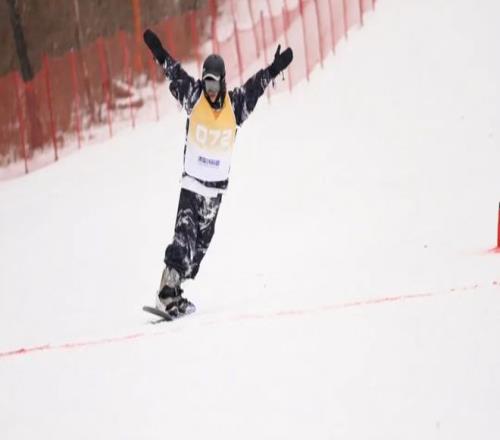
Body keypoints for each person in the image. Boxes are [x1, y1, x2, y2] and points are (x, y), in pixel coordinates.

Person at [143, 28, 293, 316]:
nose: (210, 90)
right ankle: (165, 292)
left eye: (214, 84)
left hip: (215, 192)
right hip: (193, 184)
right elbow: (173, 72)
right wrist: (158, 52)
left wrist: (274, 69)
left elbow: (256, 86)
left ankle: (176, 292)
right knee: (184, 237)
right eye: (206, 83)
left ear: (223, 82)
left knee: (199, 248)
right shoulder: (194, 96)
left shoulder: (235, 105)